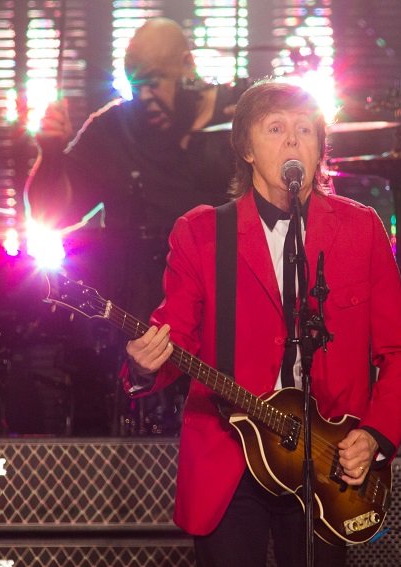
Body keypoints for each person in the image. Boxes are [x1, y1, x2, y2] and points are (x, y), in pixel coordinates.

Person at [124, 79, 401, 566]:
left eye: (305, 130)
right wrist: (144, 364)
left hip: (326, 461)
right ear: (245, 146)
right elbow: (173, 334)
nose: (292, 141)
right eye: (276, 128)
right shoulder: (202, 232)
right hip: (230, 456)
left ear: (320, 148)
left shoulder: (361, 229)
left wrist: (373, 436)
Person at [24, 18, 245, 434]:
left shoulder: (241, 116)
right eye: (133, 85)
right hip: (141, 320)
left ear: (187, 65)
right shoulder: (114, 128)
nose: (143, 97)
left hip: (233, 320)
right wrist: (50, 154)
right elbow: (49, 214)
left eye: (154, 82)